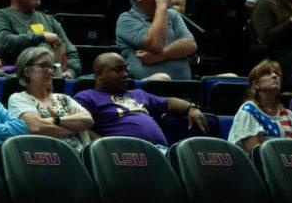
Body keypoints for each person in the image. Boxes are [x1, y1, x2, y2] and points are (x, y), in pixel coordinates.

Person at [74, 53, 207, 149]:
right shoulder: (86, 97)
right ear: (99, 74)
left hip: (159, 151)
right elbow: (78, 128)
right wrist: (107, 145)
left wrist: (191, 108)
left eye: (125, 70)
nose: (125, 74)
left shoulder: (138, 94)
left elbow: (169, 102)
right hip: (123, 154)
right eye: (118, 70)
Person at [0, 0, 81, 77]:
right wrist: (41, 37)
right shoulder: (0, 16)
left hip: (53, 79)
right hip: (19, 80)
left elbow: (71, 52)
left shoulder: (50, 20)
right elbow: (2, 43)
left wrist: (71, 72)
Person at [7, 45, 94, 153]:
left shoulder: (63, 98)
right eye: (43, 66)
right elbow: (36, 127)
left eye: (51, 67)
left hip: (79, 156)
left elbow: (88, 120)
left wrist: (55, 120)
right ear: (26, 71)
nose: (50, 71)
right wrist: (75, 127)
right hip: (47, 158)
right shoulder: (18, 98)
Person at [116, 0, 198, 81]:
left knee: (228, 78)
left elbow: (191, 44)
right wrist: (161, 5)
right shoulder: (126, 19)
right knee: (162, 78)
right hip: (145, 92)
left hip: (183, 89)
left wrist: (160, 56)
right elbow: (155, 44)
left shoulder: (172, 14)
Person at [229, 60, 292, 153]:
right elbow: (257, 155)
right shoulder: (248, 110)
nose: (275, 76)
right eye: (267, 73)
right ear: (256, 84)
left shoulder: (289, 115)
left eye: (277, 74)